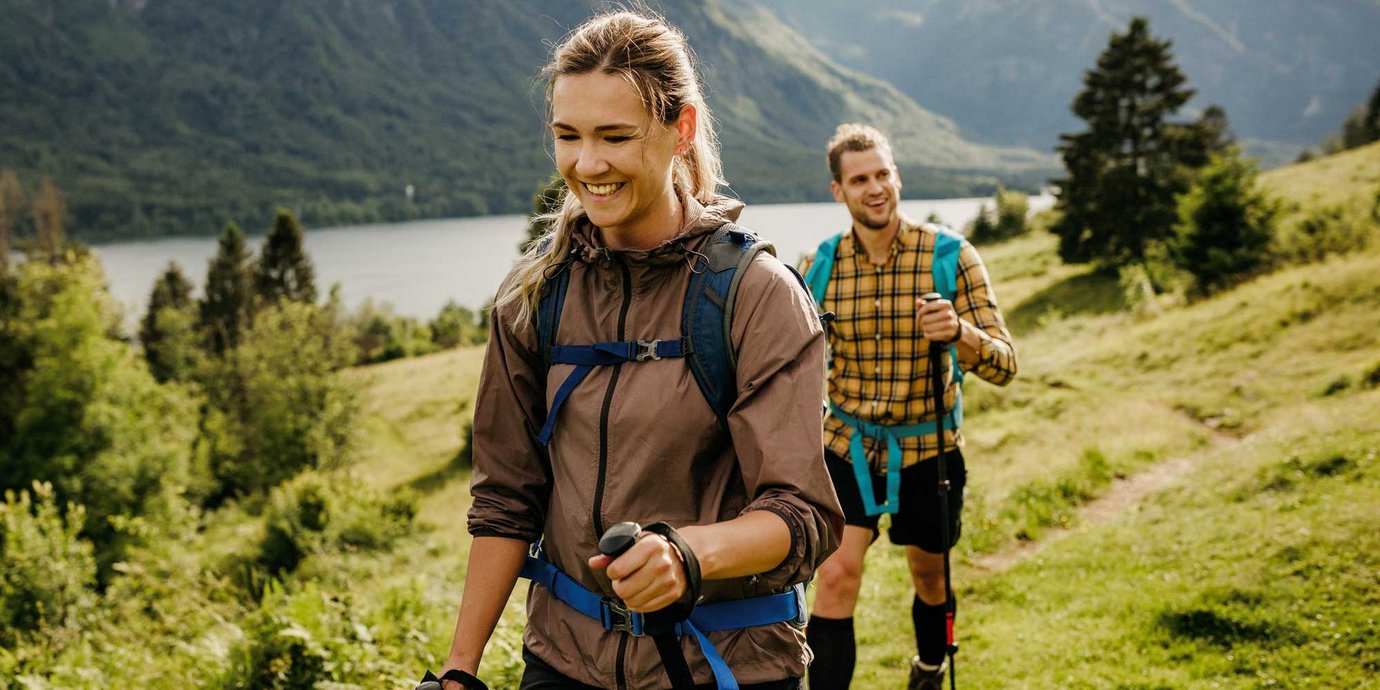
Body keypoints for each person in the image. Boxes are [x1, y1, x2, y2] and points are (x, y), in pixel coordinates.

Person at [437, 11, 843, 690]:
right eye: (568, 136)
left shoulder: (755, 295)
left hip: (723, 667)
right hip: (563, 665)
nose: (587, 164)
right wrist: (459, 670)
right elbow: (507, 500)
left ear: (679, 130)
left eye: (615, 136)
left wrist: (687, 555)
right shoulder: (534, 292)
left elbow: (803, 515)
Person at [802, 124, 1018, 690]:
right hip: (846, 447)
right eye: (859, 179)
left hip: (930, 451)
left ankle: (928, 666)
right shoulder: (820, 267)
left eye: (882, 175)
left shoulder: (951, 256)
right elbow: (795, 367)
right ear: (838, 191)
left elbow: (1004, 365)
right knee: (836, 576)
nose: (874, 188)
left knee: (929, 576)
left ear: (896, 177)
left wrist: (960, 333)